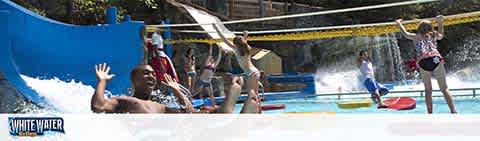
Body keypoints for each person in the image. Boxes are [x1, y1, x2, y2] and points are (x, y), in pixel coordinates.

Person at [396, 15, 457, 114]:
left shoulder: (416, 37)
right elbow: (441, 35)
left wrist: (399, 23)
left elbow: (405, 34)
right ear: (430, 28)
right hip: (435, 58)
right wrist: (440, 22)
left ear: (419, 28)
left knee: (428, 90)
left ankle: (430, 113)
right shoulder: (433, 34)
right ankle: (453, 111)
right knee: (444, 88)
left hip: (423, 61)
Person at [90, 63, 193, 113]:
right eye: (146, 73)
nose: (151, 76)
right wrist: (102, 81)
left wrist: (177, 90)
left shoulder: (161, 107)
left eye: (153, 74)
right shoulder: (126, 101)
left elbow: (189, 113)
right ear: (134, 80)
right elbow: (98, 106)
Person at [213, 24, 262, 113]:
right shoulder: (246, 48)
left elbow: (224, 40)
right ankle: (259, 113)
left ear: (236, 44)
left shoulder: (236, 49)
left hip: (251, 73)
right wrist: (245, 35)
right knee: (256, 94)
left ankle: (257, 114)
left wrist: (216, 29)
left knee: (251, 94)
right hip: (255, 71)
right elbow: (244, 42)